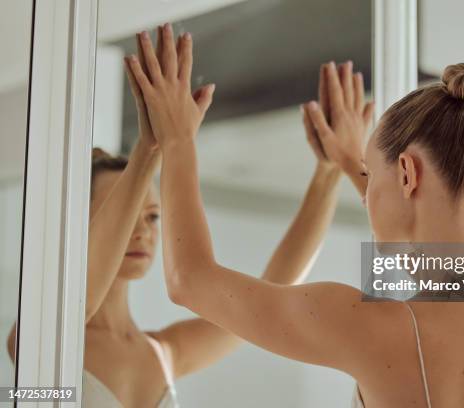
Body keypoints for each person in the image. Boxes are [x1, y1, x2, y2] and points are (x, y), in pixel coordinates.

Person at [128, 24, 464, 407]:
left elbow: (189, 279)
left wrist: (177, 139)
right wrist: (354, 161)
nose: (367, 198)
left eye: (373, 176)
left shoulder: (376, 329)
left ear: (407, 173)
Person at [5, 25, 372, 408]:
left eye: (151, 217)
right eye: (129, 213)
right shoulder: (34, 339)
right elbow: (62, 332)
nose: (143, 233)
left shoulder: (164, 353)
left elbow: (275, 286)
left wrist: (330, 173)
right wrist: (150, 148)